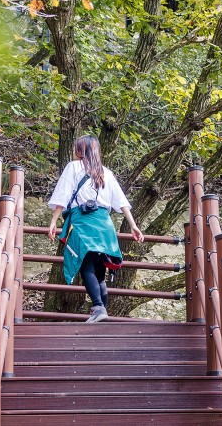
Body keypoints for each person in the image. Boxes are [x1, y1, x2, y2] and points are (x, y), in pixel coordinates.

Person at [47, 135, 144, 322]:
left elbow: (63, 194)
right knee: (99, 272)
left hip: (83, 222)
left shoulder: (73, 167)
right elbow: (121, 201)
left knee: (85, 265)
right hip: (104, 224)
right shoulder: (105, 172)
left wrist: (53, 221)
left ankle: (98, 307)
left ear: (79, 150)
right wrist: (133, 225)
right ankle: (102, 311)